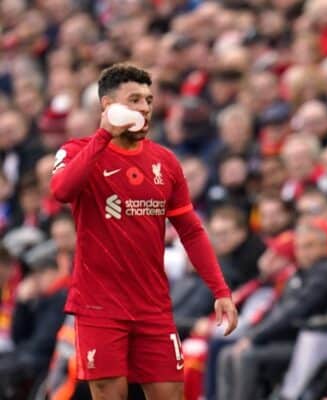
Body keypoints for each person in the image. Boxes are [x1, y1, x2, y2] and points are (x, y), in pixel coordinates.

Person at [49, 64, 238, 400]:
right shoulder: (78, 151)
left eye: (148, 100)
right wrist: (103, 135)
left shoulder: (165, 162)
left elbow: (191, 231)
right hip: (99, 306)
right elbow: (61, 190)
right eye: (134, 99)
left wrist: (220, 290)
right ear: (108, 106)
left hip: (152, 305)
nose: (145, 108)